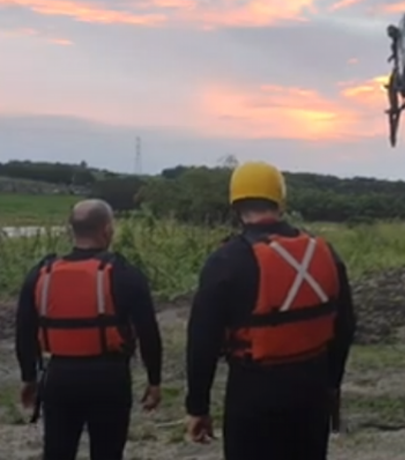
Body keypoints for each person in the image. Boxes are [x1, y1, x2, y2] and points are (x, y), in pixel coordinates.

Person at [185, 160, 357, 460]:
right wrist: (331, 385)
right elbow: (345, 326)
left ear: (235, 204)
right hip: (311, 389)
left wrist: (198, 407)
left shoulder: (226, 261)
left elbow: (202, 341)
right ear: (281, 200)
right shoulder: (325, 252)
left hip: (253, 392)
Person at [14, 199, 163, 460]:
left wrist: (29, 377)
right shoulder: (125, 273)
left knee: (58, 452)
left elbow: (24, 330)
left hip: (60, 377)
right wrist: (154, 380)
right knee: (107, 453)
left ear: (71, 229)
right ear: (107, 230)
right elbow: (148, 331)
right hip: (109, 378)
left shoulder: (41, 274)